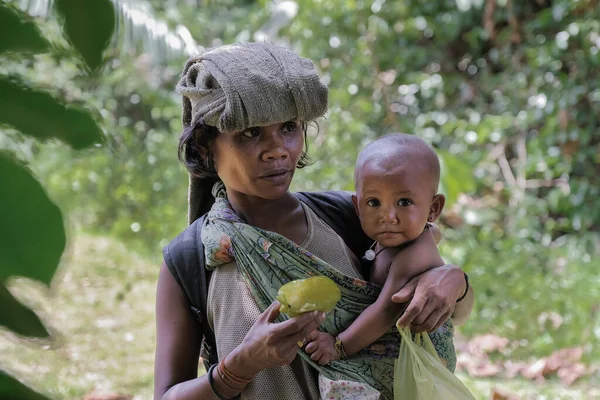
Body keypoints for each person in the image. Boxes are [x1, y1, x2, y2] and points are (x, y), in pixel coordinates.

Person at [154, 42, 474, 400]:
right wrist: (238, 367)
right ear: (204, 145)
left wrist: (454, 281)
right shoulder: (190, 259)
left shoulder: (351, 218)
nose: (278, 149)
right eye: (251, 132)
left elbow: (440, 310)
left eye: (288, 127)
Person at [304, 133, 468, 370]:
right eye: (373, 203)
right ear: (357, 207)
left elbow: (387, 310)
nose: (387, 217)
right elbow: (433, 232)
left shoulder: (412, 257)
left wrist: (338, 345)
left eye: (403, 202)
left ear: (433, 208)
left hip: (419, 362)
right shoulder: (406, 237)